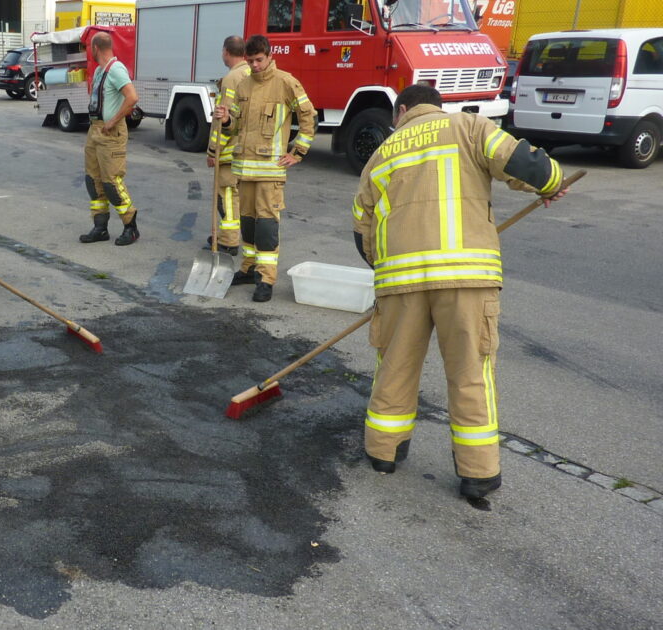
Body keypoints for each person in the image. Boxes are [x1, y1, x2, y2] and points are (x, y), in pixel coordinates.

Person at [351, 84, 568, 499]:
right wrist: (551, 183)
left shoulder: (383, 152)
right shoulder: (470, 127)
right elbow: (525, 163)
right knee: (470, 373)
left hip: (400, 282)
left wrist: (385, 269)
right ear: (437, 106)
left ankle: (383, 452)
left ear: (402, 111)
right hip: (466, 279)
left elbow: (361, 223)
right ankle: (478, 475)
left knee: (394, 368)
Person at [213, 35, 316, 302]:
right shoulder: (243, 85)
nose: (255, 65)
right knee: (247, 223)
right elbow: (235, 126)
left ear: (270, 56)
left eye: (259, 60)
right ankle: (248, 269)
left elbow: (309, 116)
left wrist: (297, 152)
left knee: (267, 226)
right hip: (244, 169)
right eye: (250, 61)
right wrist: (226, 120)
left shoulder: (285, 82)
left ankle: (266, 278)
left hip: (270, 172)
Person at [79, 31, 141, 246]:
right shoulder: (100, 70)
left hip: (110, 133)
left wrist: (113, 120)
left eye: (90, 47)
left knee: (111, 183)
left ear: (95, 48)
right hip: (95, 130)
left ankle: (130, 227)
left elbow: (132, 97)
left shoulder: (116, 69)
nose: (89, 51)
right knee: (93, 181)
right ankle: (100, 227)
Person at [205, 36, 250, 257]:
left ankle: (229, 242)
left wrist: (214, 150)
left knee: (227, 197)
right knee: (237, 196)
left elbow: (224, 120)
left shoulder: (231, 78)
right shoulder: (250, 72)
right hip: (245, 148)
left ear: (226, 52)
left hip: (230, 150)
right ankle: (224, 236)